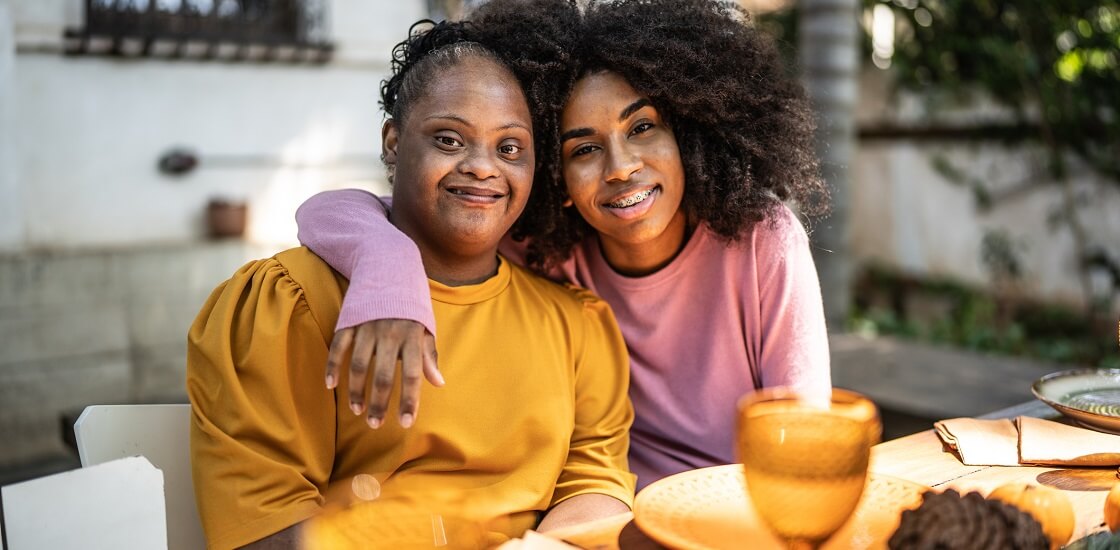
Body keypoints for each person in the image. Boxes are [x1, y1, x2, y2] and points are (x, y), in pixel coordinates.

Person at [296, 0, 832, 490]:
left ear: (689, 133)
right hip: (612, 514)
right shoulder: (548, 250)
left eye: (642, 127)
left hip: (747, 509)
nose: (621, 168)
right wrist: (388, 269)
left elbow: (804, 440)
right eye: (584, 150)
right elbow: (333, 212)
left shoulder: (762, 238)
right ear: (557, 178)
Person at [187, 20, 634, 549]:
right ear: (394, 142)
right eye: (449, 139)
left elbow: (594, 483)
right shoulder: (290, 302)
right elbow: (262, 524)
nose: (482, 167)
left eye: (510, 148)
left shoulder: (575, 324)